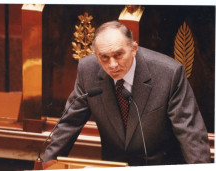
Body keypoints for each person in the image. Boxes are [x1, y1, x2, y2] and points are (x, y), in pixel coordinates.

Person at [42, 20, 211, 165]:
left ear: (134, 49)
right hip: (115, 165)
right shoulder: (88, 70)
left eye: (118, 55)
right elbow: (68, 123)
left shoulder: (168, 74)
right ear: (96, 55)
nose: (113, 64)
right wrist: (45, 164)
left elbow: (191, 134)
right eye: (104, 57)